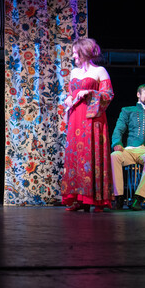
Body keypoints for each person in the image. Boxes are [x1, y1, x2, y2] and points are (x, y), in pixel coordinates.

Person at [61, 38, 114, 212]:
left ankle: (96, 199)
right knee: (76, 156)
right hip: (76, 117)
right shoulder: (74, 72)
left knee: (92, 154)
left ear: (84, 52)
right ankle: (78, 198)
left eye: (75, 53)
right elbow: (71, 93)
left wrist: (90, 92)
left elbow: (108, 94)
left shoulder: (99, 71)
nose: (73, 56)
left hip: (93, 117)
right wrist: (68, 99)